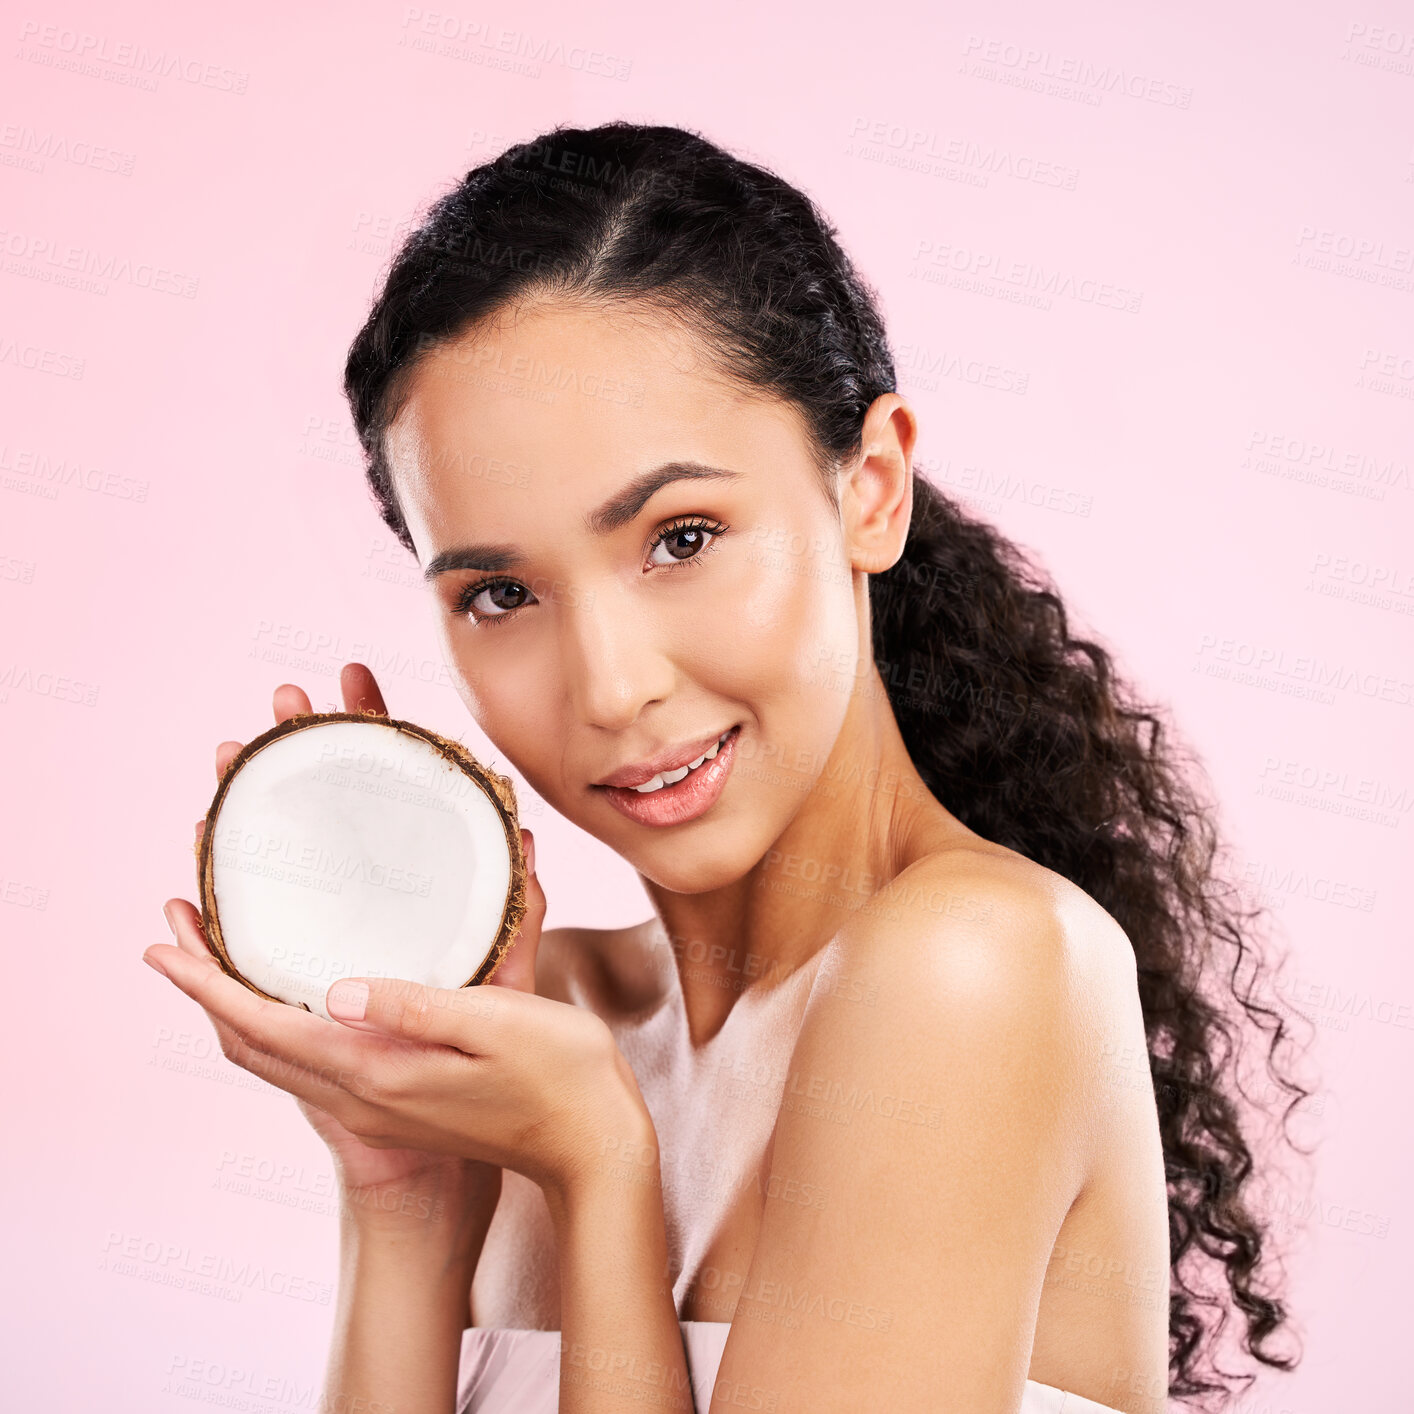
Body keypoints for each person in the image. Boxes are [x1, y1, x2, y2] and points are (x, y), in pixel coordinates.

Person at [147, 122, 1308, 1414]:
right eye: (499, 592)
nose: (610, 684)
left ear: (869, 487)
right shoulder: (557, 1022)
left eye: (679, 535)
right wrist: (401, 1191)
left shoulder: (969, 965)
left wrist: (599, 1176)